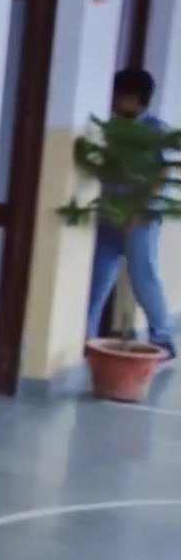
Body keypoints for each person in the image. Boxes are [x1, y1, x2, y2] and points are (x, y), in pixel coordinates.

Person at [85, 67, 175, 361]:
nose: (114, 101)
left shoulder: (155, 131)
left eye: (119, 96)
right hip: (109, 215)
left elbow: (162, 174)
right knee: (97, 278)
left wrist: (140, 210)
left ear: (136, 99)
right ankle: (87, 337)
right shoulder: (111, 128)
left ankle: (162, 338)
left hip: (141, 219)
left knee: (143, 276)